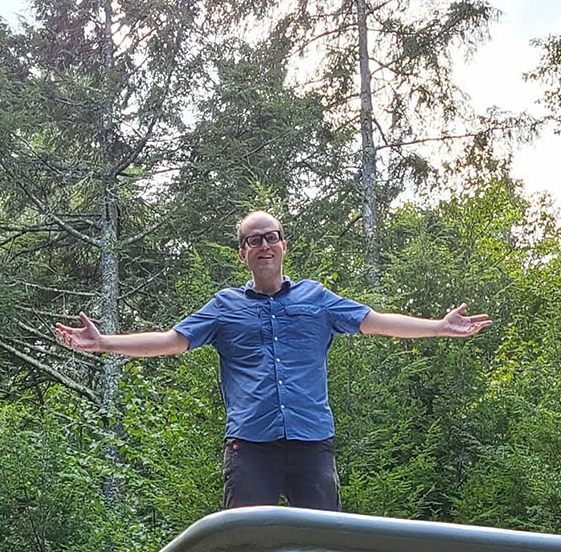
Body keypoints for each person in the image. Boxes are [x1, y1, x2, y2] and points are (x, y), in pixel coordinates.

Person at [54, 211, 491, 509]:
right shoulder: (224, 306)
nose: (263, 245)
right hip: (250, 448)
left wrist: (437, 326)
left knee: (323, 546)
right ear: (242, 252)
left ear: (283, 245)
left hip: (311, 443)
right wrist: (104, 343)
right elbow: (171, 340)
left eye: (270, 237)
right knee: (246, 548)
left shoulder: (317, 299)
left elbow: (376, 321)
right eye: (253, 240)